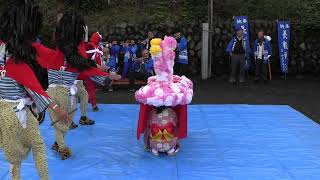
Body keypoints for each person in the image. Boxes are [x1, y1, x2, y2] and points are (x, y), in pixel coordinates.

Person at [34, 12, 121, 160]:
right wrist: (107, 77)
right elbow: (86, 71)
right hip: (56, 94)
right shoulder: (58, 56)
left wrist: (106, 76)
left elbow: (85, 71)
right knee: (59, 121)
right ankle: (62, 147)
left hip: (67, 94)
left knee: (65, 121)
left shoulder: (70, 60)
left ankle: (57, 142)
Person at [0, 1, 69, 179]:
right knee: (38, 146)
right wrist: (58, 109)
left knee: (13, 154)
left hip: (1, 113)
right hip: (16, 112)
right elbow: (37, 90)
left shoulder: (2, 50)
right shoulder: (17, 63)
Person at [135, 36, 193, 156]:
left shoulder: (152, 113)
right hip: (169, 141)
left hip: (155, 141)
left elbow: (149, 124)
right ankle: (170, 147)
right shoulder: (171, 113)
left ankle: (153, 147)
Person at [84, 32, 108, 111]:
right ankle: (92, 104)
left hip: (89, 69)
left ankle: (91, 103)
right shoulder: (98, 48)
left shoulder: (91, 46)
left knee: (89, 87)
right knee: (90, 88)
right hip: (94, 69)